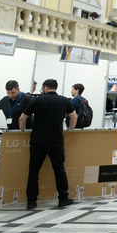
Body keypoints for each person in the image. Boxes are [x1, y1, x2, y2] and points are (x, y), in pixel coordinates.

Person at [18, 79, 77, 210]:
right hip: (56, 140)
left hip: (37, 140)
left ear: (45, 88)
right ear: (55, 88)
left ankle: (31, 201)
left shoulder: (36, 100)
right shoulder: (64, 101)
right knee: (59, 169)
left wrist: (23, 131)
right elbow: (74, 117)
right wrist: (70, 129)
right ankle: (63, 198)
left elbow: (22, 118)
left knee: (33, 171)